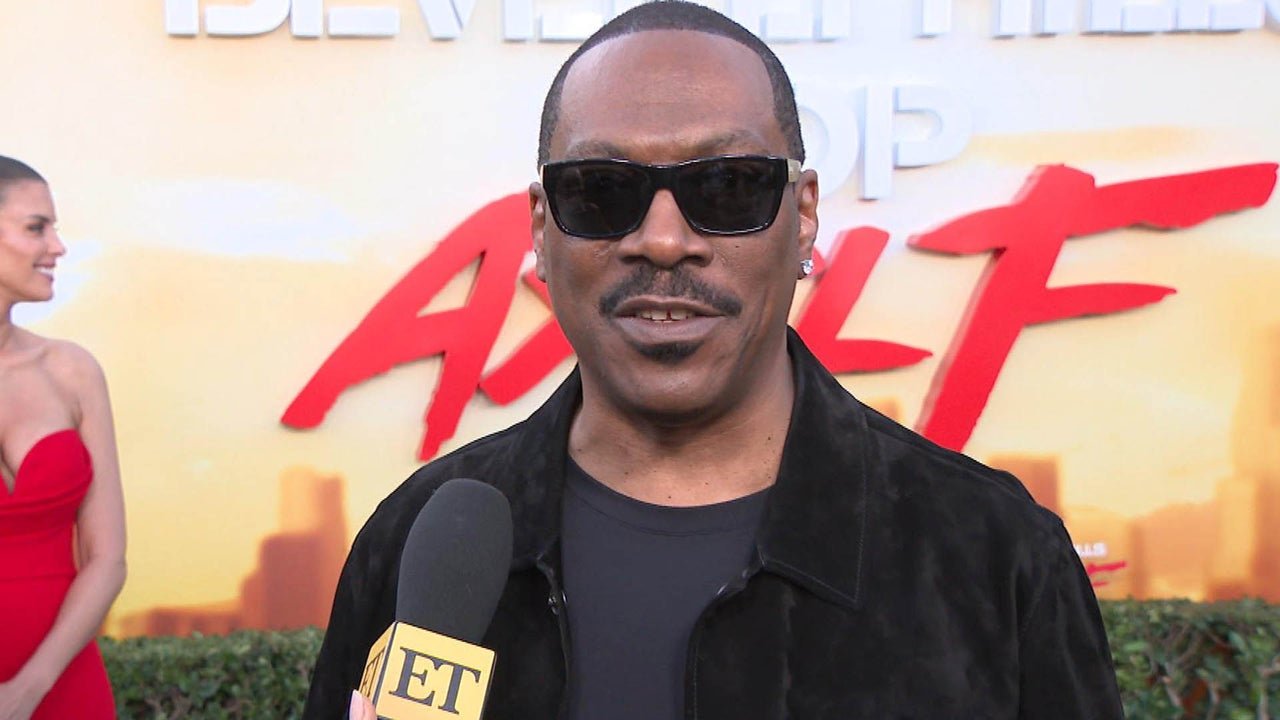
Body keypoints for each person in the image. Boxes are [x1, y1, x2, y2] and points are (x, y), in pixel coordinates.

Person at [306, 2, 1124, 718]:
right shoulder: (412, 546)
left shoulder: (996, 558)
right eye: (601, 190)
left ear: (804, 216)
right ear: (542, 228)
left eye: (728, 187)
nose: (663, 239)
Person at [0, 156, 125, 720]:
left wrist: (28, 690)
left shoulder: (72, 371)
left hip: (65, 685)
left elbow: (107, 558)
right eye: (36, 227)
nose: (57, 247)